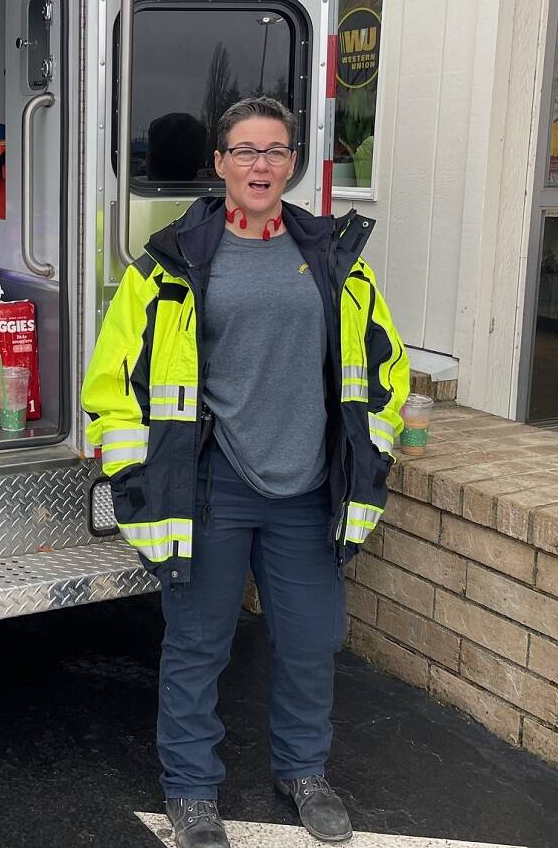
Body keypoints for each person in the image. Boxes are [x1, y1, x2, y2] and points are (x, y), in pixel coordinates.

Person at [82, 96, 408, 846]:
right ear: (220, 163)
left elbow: (383, 366)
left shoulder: (333, 257)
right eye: (244, 150)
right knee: (197, 642)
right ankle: (192, 791)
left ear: (292, 162)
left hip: (306, 485)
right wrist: (138, 484)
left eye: (275, 150)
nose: (260, 164)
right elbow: (113, 383)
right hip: (211, 484)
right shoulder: (169, 262)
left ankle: (304, 772)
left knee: (310, 639)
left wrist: (375, 450)